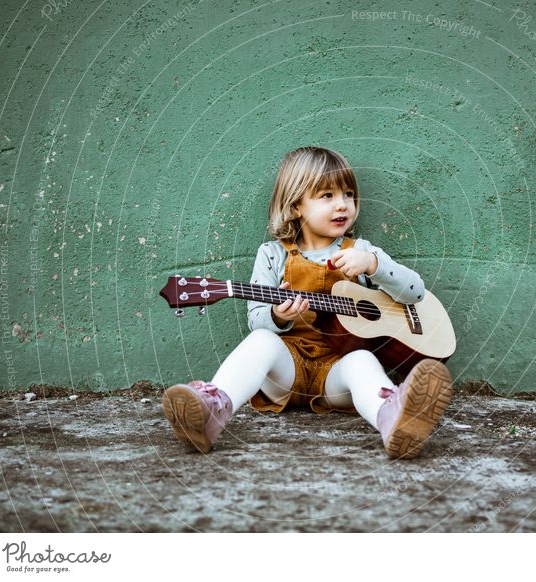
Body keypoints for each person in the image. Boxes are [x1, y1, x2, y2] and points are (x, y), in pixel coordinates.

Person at [161, 146, 453, 459]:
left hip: (336, 374)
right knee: (260, 339)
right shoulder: (272, 254)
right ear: (296, 205)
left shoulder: (362, 250)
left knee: (363, 360)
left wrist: (373, 264)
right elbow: (256, 319)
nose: (342, 205)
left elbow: (415, 292)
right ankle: (209, 411)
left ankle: (395, 419)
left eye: (349, 194)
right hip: (287, 371)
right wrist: (276, 315)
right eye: (327, 195)